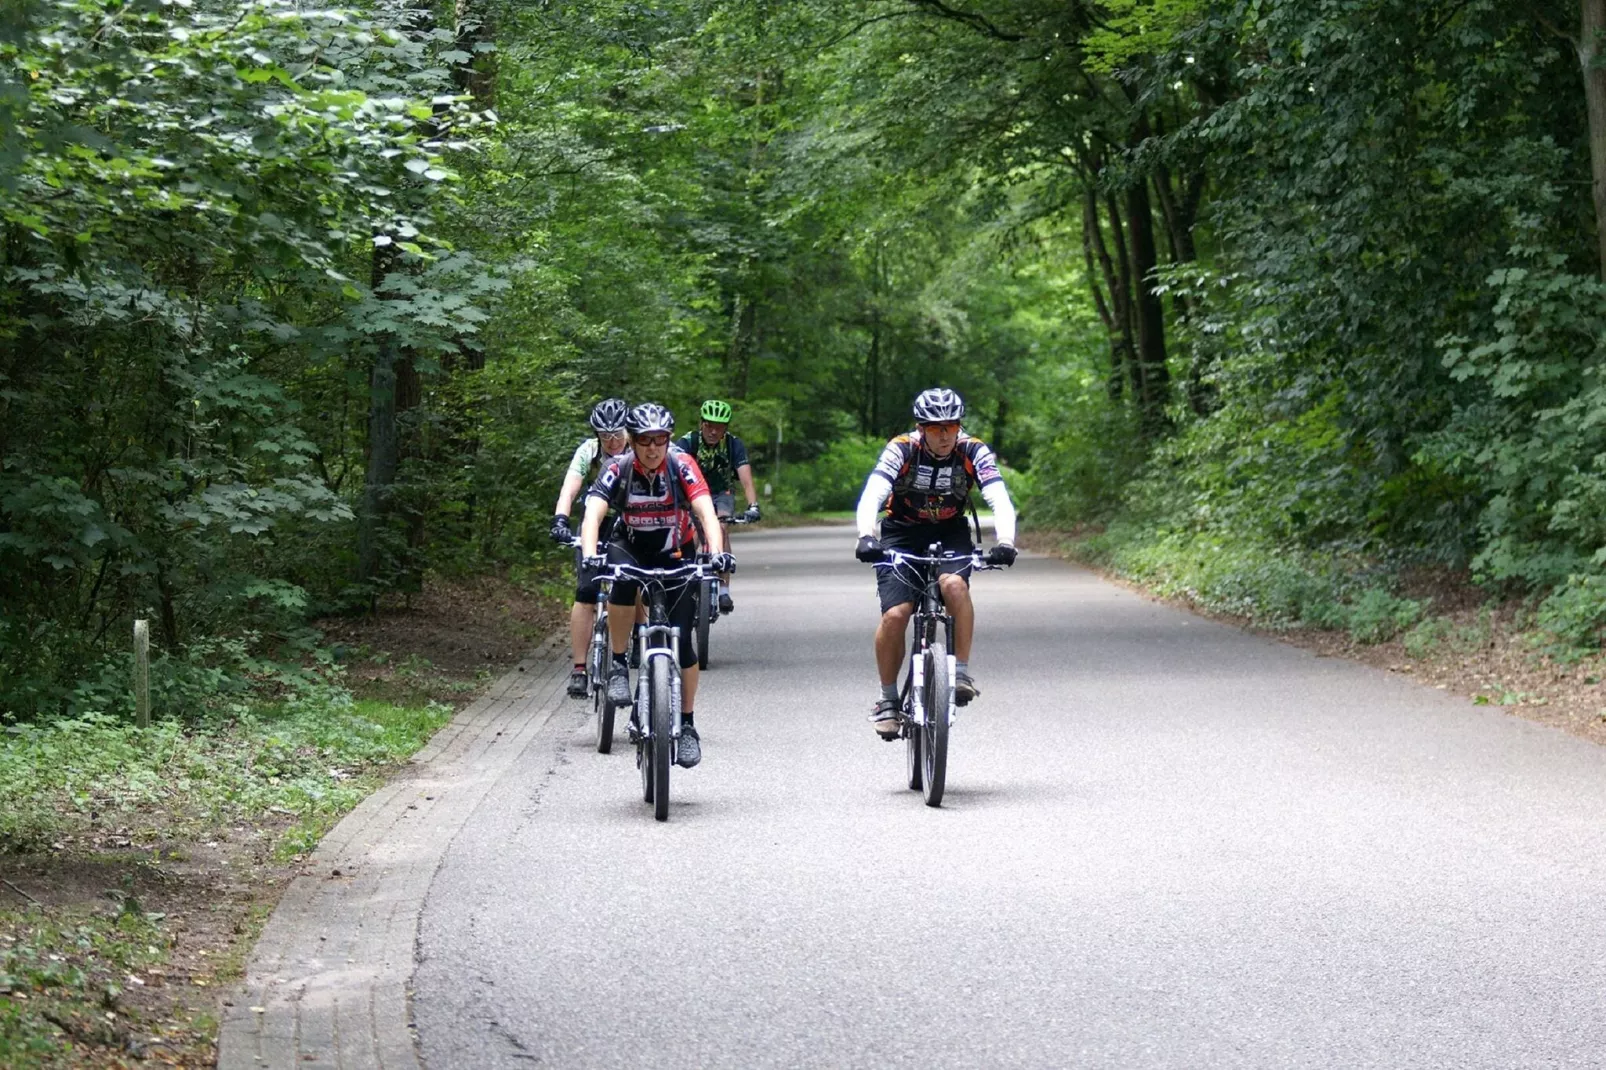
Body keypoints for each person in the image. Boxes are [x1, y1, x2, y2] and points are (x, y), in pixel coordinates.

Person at [853, 388, 1018, 740]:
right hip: (901, 532)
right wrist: (866, 535)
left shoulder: (972, 450)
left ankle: (960, 673)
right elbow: (875, 491)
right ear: (921, 427)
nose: (944, 435)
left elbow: (998, 497)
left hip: (950, 530)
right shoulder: (902, 448)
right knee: (896, 614)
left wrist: (1006, 541)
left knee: (954, 585)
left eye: (951, 426)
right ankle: (887, 700)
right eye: (935, 427)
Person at [578, 403, 733, 768]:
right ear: (632, 441)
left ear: (668, 440)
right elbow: (594, 512)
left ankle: (688, 725)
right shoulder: (619, 467)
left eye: (659, 440)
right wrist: (589, 553)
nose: (652, 448)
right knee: (619, 580)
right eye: (644, 441)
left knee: (684, 644)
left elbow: (706, 510)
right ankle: (618, 664)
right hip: (630, 546)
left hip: (677, 552)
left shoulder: (682, 465)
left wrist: (716, 553)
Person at [551, 398, 631, 698]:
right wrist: (560, 518)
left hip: (630, 524)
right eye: (604, 435)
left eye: (617, 435)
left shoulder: (638, 449)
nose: (611, 442)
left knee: (636, 584)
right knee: (585, 594)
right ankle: (580, 668)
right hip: (594, 524)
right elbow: (570, 487)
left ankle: (633, 646)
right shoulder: (589, 451)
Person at [675, 399, 759, 614]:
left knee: (721, 526)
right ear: (701, 423)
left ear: (726, 428)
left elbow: (745, 475)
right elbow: (672, 471)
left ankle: (723, 588)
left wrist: (753, 505)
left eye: (719, 427)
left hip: (722, 493)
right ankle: (689, 578)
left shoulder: (733, 445)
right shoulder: (688, 442)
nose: (713, 431)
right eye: (709, 425)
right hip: (692, 493)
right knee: (692, 533)